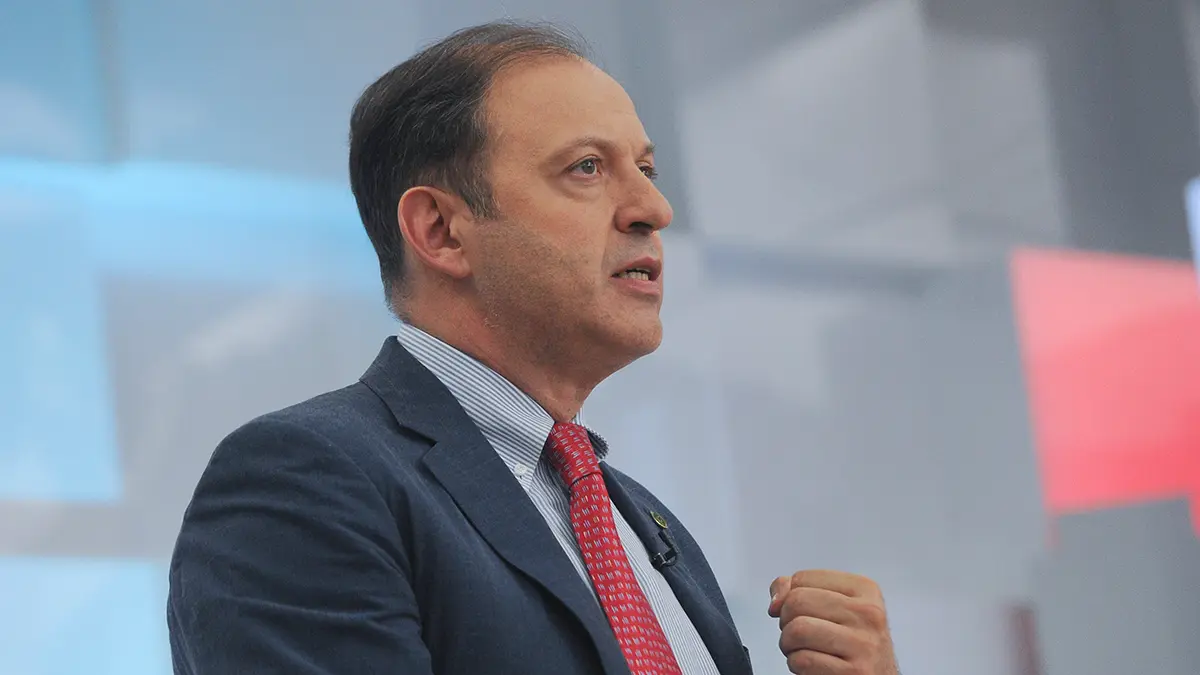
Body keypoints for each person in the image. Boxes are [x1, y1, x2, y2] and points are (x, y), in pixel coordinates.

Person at [166, 20, 900, 675]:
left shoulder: (642, 522)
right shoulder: (308, 480)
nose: (653, 208)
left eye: (645, 169)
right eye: (586, 168)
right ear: (441, 232)